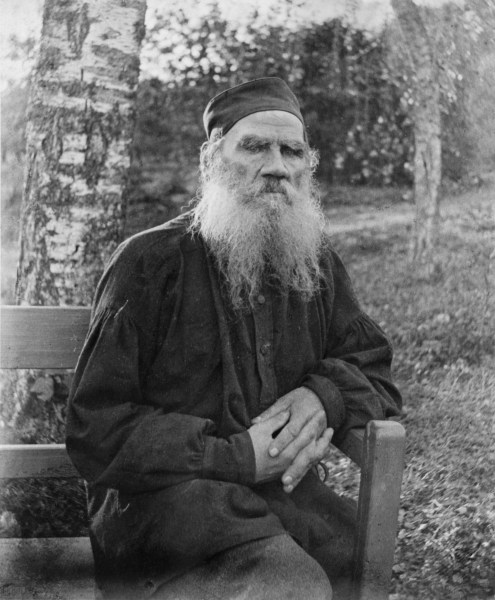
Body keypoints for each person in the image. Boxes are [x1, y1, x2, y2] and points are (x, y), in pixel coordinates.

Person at [66, 77, 401, 600]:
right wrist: (235, 457)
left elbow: (371, 363)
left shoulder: (315, 263)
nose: (277, 166)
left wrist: (324, 394)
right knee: (292, 587)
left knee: (347, 564)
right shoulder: (149, 263)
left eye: (292, 151)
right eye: (254, 147)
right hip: (168, 509)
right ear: (211, 161)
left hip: (278, 502)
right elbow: (96, 427)